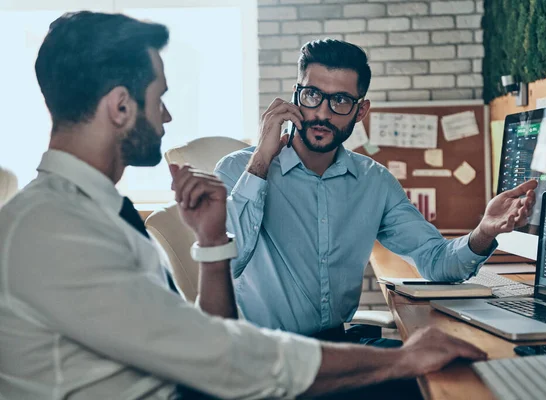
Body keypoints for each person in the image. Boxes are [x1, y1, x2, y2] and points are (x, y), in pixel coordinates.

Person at [0, 12, 488, 400]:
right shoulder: (53, 229)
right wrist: (401, 359)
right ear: (122, 107)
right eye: (160, 99)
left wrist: (212, 242)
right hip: (242, 369)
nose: (167, 115)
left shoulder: (95, 215)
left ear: (359, 110)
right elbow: (215, 356)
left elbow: (206, 336)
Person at [214, 39, 537, 344]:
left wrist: (483, 231)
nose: (323, 113)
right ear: (296, 96)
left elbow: (436, 262)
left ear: (361, 110)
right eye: (312, 94)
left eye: (340, 100)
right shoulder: (238, 171)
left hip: (336, 347)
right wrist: (260, 163)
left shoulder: (373, 181)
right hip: (262, 353)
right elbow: (226, 266)